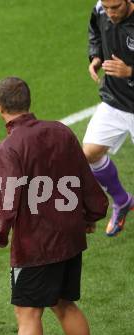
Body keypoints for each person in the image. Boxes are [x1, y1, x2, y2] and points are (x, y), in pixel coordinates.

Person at [0, 77, 108, 335]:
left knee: (28, 315)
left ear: (0, 108)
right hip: (69, 239)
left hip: (37, 248)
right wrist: (91, 214)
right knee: (65, 304)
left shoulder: (8, 149)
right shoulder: (61, 131)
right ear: (28, 102)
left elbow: (6, 208)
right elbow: (85, 179)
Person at [85, 0, 134, 236]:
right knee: (89, 154)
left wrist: (130, 72)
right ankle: (122, 201)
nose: (110, 13)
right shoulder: (100, 9)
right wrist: (95, 55)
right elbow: (95, 29)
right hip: (115, 101)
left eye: (116, 7)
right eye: (107, 7)